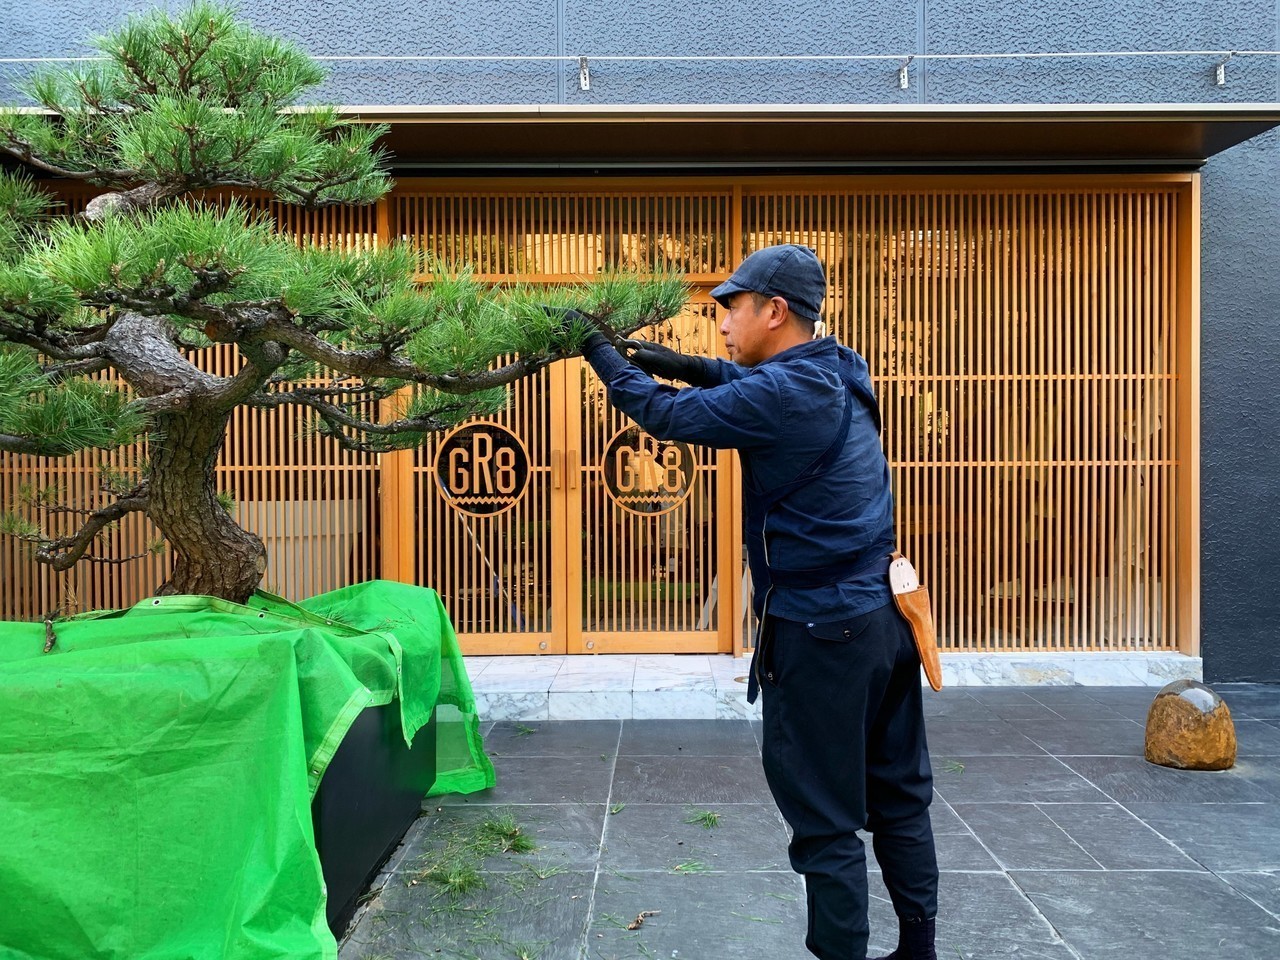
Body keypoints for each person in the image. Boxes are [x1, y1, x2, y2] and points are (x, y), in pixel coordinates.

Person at [568, 244, 939, 960]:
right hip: (882, 620)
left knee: (826, 822)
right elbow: (721, 378)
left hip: (822, 631)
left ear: (774, 310)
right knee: (898, 797)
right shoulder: (839, 366)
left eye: (730, 306)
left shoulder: (778, 395)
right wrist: (654, 354)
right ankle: (918, 951)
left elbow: (663, 417)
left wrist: (592, 348)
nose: (720, 320)